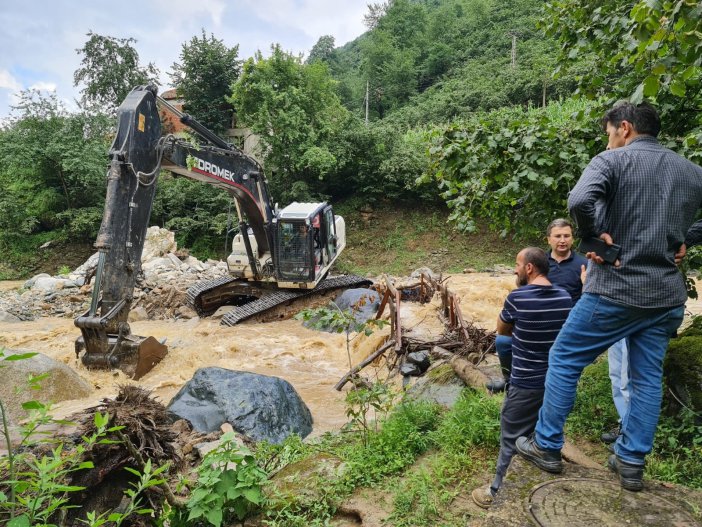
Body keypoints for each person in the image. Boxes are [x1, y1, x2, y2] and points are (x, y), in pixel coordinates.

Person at [516, 101, 702, 492]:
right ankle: (631, 461)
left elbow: (580, 200)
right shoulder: (691, 171)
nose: (610, 140)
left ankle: (546, 445)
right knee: (647, 377)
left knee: (564, 357)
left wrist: (592, 234)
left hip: (616, 289)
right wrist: (687, 237)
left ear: (625, 128)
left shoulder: (610, 161)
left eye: (610, 133)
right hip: (665, 296)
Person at [472, 247, 572, 508]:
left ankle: (496, 492)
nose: (515, 269)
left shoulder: (518, 297)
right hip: (556, 384)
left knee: (511, 436)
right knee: (540, 434)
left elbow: (502, 331)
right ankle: (538, 482)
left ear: (529, 268)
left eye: (517, 264)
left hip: (526, 381)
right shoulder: (564, 297)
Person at [489, 219, 585, 392]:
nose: (562, 240)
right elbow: (523, 291)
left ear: (573, 239)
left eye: (566, 236)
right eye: (557, 236)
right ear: (549, 239)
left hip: (567, 325)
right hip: (534, 321)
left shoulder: (583, 265)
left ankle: (564, 381)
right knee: (502, 340)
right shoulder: (539, 262)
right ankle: (510, 380)